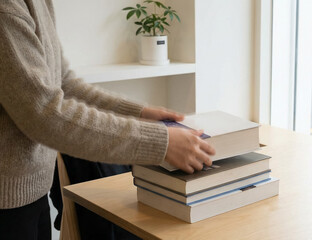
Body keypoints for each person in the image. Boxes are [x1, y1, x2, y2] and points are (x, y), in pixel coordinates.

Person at [0, 1, 215, 239]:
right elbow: (45, 115)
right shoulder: (6, 9)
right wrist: (159, 144)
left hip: (31, 195)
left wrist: (140, 112)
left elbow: (64, 83)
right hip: (7, 206)